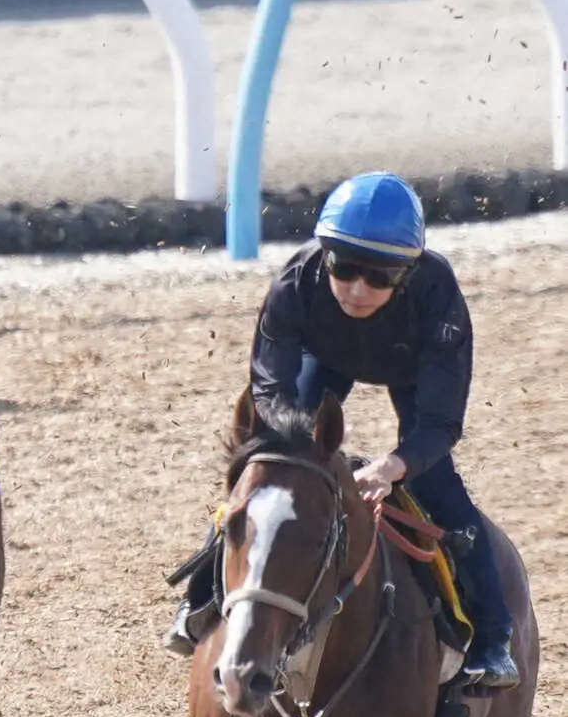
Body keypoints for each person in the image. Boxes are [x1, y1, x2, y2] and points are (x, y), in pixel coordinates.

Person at [164, 170, 519, 690]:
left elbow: (440, 423)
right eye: (344, 267)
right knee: (271, 477)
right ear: (323, 254)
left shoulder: (439, 296)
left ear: (408, 273)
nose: (357, 288)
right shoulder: (295, 280)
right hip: (324, 358)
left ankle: (493, 637)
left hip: (411, 367)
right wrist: (289, 444)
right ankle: (199, 599)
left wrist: (394, 465)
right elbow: (268, 387)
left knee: (434, 485)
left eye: (380, 278)